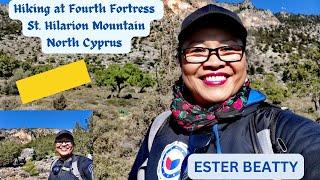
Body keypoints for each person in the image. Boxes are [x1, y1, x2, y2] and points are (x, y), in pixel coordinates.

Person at [129, 4, 320, 180]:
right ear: (181, 62)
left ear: (245, 61)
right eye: (197, 51)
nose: (214, 62)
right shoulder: (160, 127)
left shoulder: (272, 128)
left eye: (229, 49)